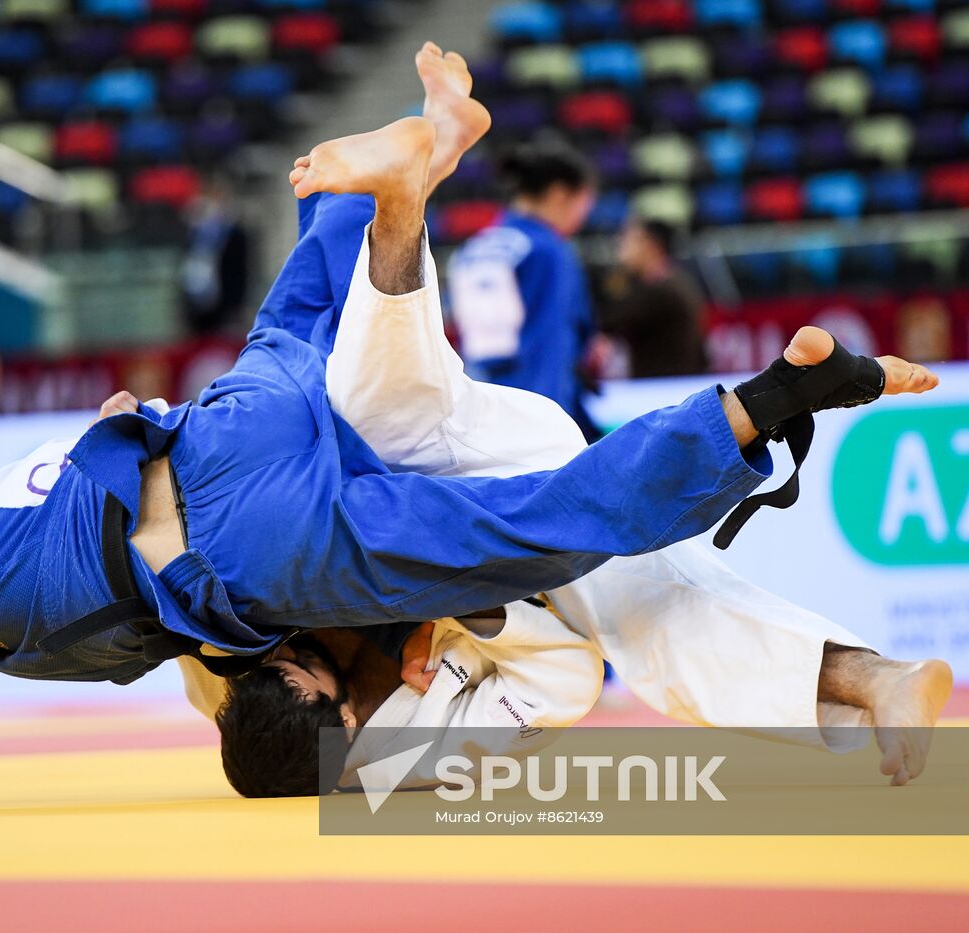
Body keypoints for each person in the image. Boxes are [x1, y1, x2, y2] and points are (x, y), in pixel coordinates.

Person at [0, 45, 937, 821]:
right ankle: (385, 184)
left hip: (251, 540)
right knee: (305, 320)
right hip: (225, 422)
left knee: (530, 527)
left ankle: (754, 408)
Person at [198, 183, 951, 794]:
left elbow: (177, 553)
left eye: (274, 660)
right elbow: (565, 679)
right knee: (649, 619)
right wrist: (466, 601)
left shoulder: (227, 671)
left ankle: (388, 192)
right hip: (509, 512)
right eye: (303, 665)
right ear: (351, 722)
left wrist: (141, 436)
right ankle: (873, 668)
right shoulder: (411, 756)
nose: (284, 649)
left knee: (370, 402)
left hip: (423, 453)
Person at [447, 138, 601, 438]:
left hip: (479, 404)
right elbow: (549, 340)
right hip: (535, 407)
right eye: (584, 204)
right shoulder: (548, 250)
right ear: (560, 194)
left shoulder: (473, 247)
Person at [600, 217, 707, 378]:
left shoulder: (663, 291)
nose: (621, 247)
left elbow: (610, 320)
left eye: (628, 239)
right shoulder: (673, 281)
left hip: (666, 389)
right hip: (668, 385)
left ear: (650, 245)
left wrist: (619, 274)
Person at [180, 175, 252, 336]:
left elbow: (241, 270)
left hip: (225, 301)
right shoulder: (193, 231)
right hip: (196, 300)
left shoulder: (235, 234)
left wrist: (236, 305)